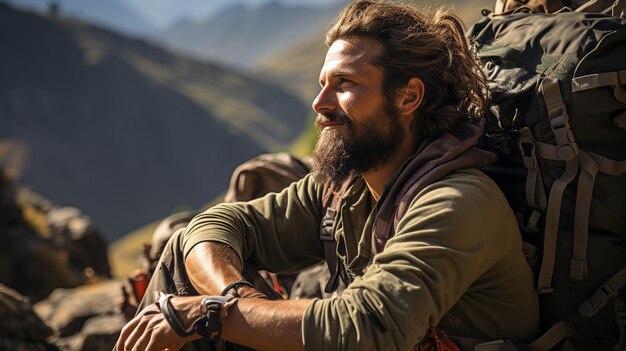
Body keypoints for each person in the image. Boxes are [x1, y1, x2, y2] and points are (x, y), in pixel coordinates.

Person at [116, 1, 540, 350]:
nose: (320, 102)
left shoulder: (457, 202)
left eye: (344, 83)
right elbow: (216, 224)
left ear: (408, 96)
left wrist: (214, 315)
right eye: (322, 83)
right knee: (179, 263)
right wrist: (231, 302)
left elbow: (370, 325)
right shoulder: (350, 185)